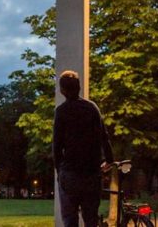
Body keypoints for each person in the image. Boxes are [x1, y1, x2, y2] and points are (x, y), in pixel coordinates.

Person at [53, 70, 113, 227]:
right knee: (91, 218)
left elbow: (57, 145)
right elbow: (104, 137)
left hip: (70, 173)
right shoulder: (92, 108)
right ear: (79, 87)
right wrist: (109, 160)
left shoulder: (61, 111)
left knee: (70, 219)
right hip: (91, 173)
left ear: (62, 90)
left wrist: (60, 171)